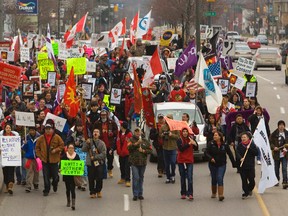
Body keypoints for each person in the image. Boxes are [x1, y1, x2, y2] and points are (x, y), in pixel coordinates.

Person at [35, 120, 64, 196]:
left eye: (49, 128)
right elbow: (37, 148)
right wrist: (40, 156)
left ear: (52, 129)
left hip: (54, 161)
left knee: (55, 176)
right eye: (46, 129)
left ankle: (55, 184)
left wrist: (56, 150)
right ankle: (46, 189)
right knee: (46, 176)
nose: (47, 130)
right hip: (44, 160)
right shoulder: (41, 138)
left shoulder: (57, 137)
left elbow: (62, 145)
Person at [205, 131, 233, 201]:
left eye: (216, 135)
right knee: (214, 179)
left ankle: (221, 195)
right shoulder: (210, 144)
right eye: (214, 135)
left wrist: (235, 164)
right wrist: (211, 158)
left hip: (222, 164)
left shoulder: (225, 145)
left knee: (220, 178)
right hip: (213, 164)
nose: (214, 137)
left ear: (220, 137)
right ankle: (214, 193)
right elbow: (206, 152)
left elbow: (230, 154)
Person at [128, 127, 152, 201]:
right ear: (134, 133)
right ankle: (135, 194)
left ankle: (140, 193)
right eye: (136, 132)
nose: (138, 133)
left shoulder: (145, 141)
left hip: (142, 162)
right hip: (134, 162)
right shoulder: (130, 140)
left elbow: (150, 150)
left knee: (141, 178)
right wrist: (136, 144)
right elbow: (128, 147)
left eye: (139, 132)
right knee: (136, 177)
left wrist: (144, 151)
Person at [82, 128, 106, 198]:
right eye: (94, 132)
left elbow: (103, 154)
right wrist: (86, 143)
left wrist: (95, 157)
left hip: (99, 162)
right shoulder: (89, 141)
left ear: (99, 134)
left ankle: (98, 190)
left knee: (99, 177)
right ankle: (92, 192)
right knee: (91, 178)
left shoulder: (102, 143)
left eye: (97, 132)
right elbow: (83, 149)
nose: (95, 133)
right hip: (90, 163)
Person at [94, 109, 118, 178]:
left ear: (107, 115)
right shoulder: (97, 123)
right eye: (102, 115)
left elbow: (116, 130)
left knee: (110, 158)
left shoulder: (111, 122)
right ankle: (101, 172)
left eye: (104, 115)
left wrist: (112, 133)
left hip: (109, 144)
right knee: (101, 159)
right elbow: (94, 131)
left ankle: (109, 169)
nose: (103, 116)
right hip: (100, 144)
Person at [177, 128, 198, 200]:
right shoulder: (179, 139)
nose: (185, 133)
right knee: (182, 177)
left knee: (189, 177)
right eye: (183, 132)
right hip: (181, 161)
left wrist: (194, 143)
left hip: (189, 160)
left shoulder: (191, 138)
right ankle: (183, 193)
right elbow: (181, 149)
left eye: (186, 132)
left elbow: (196, 147)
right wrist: (189, 144)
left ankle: (190, 193)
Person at [236, 132, 258, 199]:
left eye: (244, 137)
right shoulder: (240, 146)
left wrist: (249, 149)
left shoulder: (252, 145)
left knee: (252, 180)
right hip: (242, 166)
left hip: (250, 165)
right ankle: (245, 192)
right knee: (244, 179)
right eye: (242, 137)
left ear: (248, 138)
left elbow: (256, 153)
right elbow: (237, 154)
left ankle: (249, 189)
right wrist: (240, 158)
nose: (243, 138)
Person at [159, 114, 180, 184]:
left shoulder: (175, 127)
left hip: (173, 147)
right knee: (167, 164)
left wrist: (171, 135)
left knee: (173, 162)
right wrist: (162, 135)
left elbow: (178, 137)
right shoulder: (163, 127)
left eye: (169, 118)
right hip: (165, 148)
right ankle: (168, 177)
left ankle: (173, 175)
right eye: (167, 119)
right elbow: (160, 135)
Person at [0, 123, 19, 195]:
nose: (8, 129)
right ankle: (7, 185)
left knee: (11, 171)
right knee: (5, 172)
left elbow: (17, 146)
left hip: (12, 158)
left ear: (11, 129)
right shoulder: (2, 137)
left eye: (9, 128)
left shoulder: (14, 136)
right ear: (4, 129)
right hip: (4, 158)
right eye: (7, 128)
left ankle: (10, 185)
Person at [60, 143, 80, 210]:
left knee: (73, 189)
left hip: (73, 176)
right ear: (67, 149)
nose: (71, 149)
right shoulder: (64, 156)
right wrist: (60, 169)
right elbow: (61, 164)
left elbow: (79, 166)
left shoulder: (76, 156)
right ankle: (68, 201)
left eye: (72, 148)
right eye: (69, 148)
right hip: (66, 175)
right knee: (67, 189)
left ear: (74, 149)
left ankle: (73, 203)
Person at [269, 120, 288, 188]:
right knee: (276, 168)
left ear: (284, 126)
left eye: (282, 125)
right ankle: (276, 180)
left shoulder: (287, 133)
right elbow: (270, 142)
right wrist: (274, 147)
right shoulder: (274, 134)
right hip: (276, 154)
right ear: (278, 126)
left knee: (284, 168)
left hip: (284, 154)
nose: (281, 126)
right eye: (280, 125)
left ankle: (285, 182)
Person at [22, 126, 41, 192]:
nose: (31, 132)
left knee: (36, 171)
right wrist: (24, 144)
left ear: (35, 131)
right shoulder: (26, 137)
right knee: (29, 172)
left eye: (33, 130)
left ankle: (36, 183)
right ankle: (28, 186)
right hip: (29, 157)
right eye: (30, 130)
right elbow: (24, 148)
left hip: (37, 157)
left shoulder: (39, 137)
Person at [149, 113, 166, 177]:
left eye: (162, 118)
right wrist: (156, 134)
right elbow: (151, 137)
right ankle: (160, 170)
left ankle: (165, 169)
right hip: (158, 144)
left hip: (165, 144)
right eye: (159, 118)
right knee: (160, 157)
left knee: (165, 157)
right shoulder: (155, 127)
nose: (161, 120)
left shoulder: (166, 126)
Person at [116, 121, 132, 187]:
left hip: (127, 153)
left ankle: (128, 180)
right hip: (121, 153)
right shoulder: (119, 133)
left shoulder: (129, 134)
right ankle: (122, 177)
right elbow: (116, 141)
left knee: (127, 167)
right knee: (121, 166)